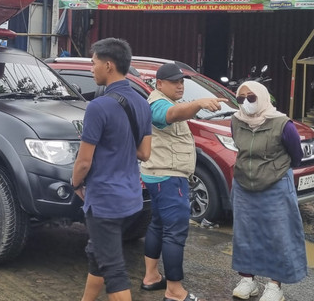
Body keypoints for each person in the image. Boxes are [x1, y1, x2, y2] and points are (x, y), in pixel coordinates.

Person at [71, 38, 152, 301]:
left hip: (104, 199)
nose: (91, 69)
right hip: (130, 197)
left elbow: (84, 161)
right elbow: (144, 153)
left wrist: (75, 184)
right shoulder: (142, 103)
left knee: (113, 269)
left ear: (108, 65)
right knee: (98, 253)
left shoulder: (98, 106)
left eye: (93, 63)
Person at [140, 63, 226, 301]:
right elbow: (171, 116)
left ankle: (151, 277)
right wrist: (198, 103)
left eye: (182, 81)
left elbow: (176, 112)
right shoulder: (159, 104)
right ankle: (175, 291)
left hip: (159, 175)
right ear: (159, 84)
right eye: (175, 82)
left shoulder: (167, 101)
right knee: (175, 232)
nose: (180, 85)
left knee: (158, 224)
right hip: (168, 177)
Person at [230, 81, 307, 301]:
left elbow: (296, 156)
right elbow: (239, 146)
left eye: (251, 97)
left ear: (263, 97)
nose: (246, 102)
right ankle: (247, 280)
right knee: (245, 233)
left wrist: (273, 170)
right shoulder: (236, 121)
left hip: (275, 185)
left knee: (277, 235)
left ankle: (275, 285)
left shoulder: (282, 124)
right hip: (244, 185)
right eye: (241, 98)